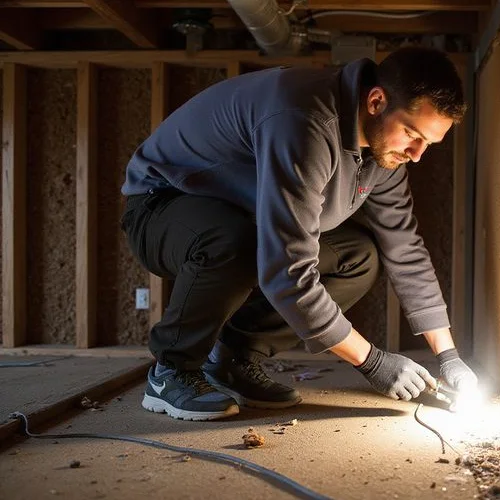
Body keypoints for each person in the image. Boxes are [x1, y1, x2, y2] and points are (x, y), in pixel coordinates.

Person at [120, 47, 479, 421]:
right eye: (411, 134)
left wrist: (448, 356)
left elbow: (404, 248)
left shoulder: (385, 155)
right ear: (376, 101)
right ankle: (171, 371)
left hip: (244, 222)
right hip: (161, 206)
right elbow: (286, 271)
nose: (417, 154)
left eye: (429, 144)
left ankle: (233, 360)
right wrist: (372, 362)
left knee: (358, 257)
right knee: (236, 240)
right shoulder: (304, 120)